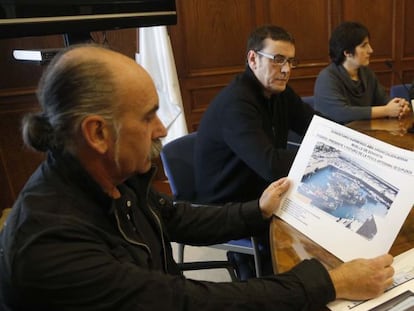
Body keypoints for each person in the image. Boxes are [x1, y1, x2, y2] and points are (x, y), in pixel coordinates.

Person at [0, 44, 394, 311]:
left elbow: (174, 217)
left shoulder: (107, 176)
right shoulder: (50, 244)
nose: (161, 128)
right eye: (147, 115)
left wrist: (256, 210)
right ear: (97, 133)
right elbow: (188, 302)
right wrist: (328, 283)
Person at [194, 25, 318, 278]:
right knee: (306, 221)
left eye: (291, 61)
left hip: (257, 185)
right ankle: (273, 286)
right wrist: (325, 160)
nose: (286, 70)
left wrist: (348, 144)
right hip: (226, 201)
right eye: (278, 60)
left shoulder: (278, 90)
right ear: (253, 59)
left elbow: (316, 126)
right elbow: (271, 164)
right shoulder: (236, 103)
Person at [314, 21, 410, 124]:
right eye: (364, 46)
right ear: (347, 53)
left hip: (364, 133)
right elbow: (341, 113)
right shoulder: (327, 78)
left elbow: (382, 99)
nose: (371, 50)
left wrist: (398, 106)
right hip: (334, 136)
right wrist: (386, 110)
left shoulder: (366, 73)